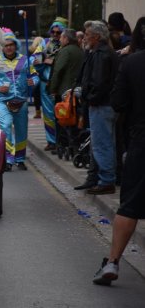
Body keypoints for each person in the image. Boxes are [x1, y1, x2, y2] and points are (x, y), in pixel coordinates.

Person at [92, 16, 145, 286]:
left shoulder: (132, 62)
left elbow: (118, 101)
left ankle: (112, 262)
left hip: (141, 140)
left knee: (130, 206)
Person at [0, 28, 38, 171]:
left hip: (21, 101)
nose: (9, 47)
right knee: (6, 126)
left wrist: (33, 82)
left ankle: (20, 159)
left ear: (15, 45)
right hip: (3, 101)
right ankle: (8, 159)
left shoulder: (25, 60)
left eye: (11, 45)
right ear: (2, 47)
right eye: (6, 45)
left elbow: (35, 76)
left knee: (22, 131)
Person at [79, 20, 119, 195]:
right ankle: (103, 178)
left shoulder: (102, 54)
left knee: (102, 143)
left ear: (96, 36)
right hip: (103, 103)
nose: (85, 38)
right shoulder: (99, 52)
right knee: (104, 142)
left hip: (102, 104)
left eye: (87, 35)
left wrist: (89, 97)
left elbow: (100, 82)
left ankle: (106, 180)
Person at [33, 18, 66, 151]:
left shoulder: (66, 45)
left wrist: (52, 61)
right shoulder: (44, 43)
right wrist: (45, 60)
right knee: (48, 114)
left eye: (58, 32)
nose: (55, 34)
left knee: (62, 113)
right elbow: (35, 59)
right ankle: (51, 141)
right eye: (53, 32)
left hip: (61, 85)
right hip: (46, 83)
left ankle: (62, 141)